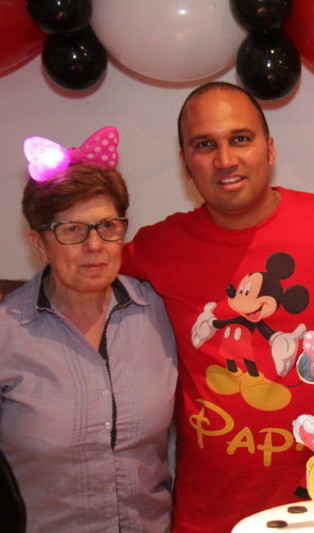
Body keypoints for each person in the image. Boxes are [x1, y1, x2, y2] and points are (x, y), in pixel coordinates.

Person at [120, 81, 314, 532]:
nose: (225, 159)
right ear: (185, 164)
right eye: (205, 145)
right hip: (209, 517)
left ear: (270, 149)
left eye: (240, 139)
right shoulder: (158, 247)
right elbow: (83, 275)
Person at [0, 127, 177, 532]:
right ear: (39, 244)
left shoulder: (159, 315)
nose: (94, 245)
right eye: (72, 230)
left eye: (107, 226)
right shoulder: (7, 335)